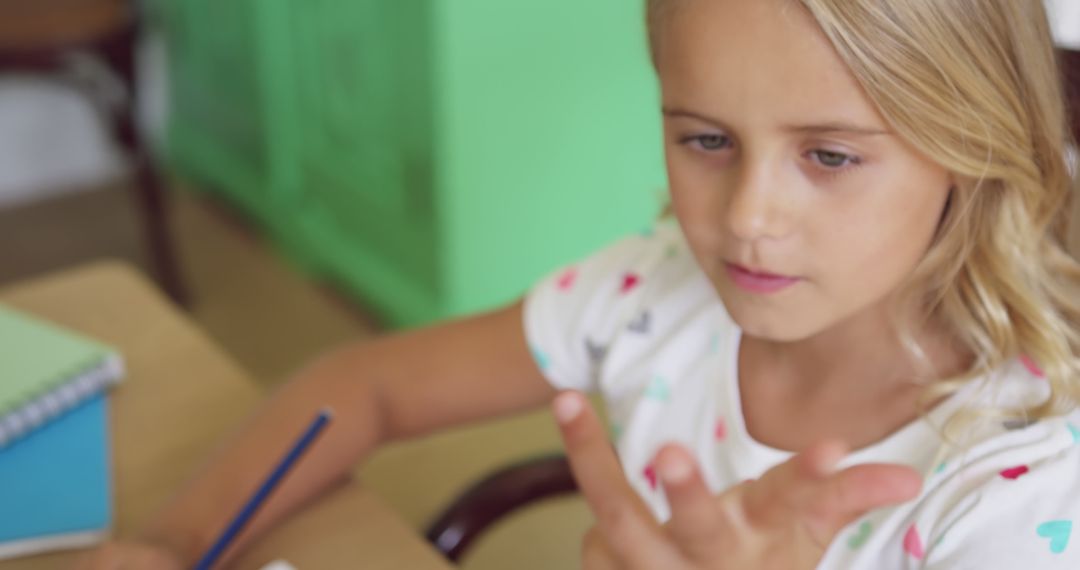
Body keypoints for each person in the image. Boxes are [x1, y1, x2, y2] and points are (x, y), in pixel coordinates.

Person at [78, 0, 1080, 568]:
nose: (744, 218)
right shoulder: (649, 294)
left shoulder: (1021, 487)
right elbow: (365, 386)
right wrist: (175, 540)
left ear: (972, 149)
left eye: (828, 157)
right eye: (705, 139)